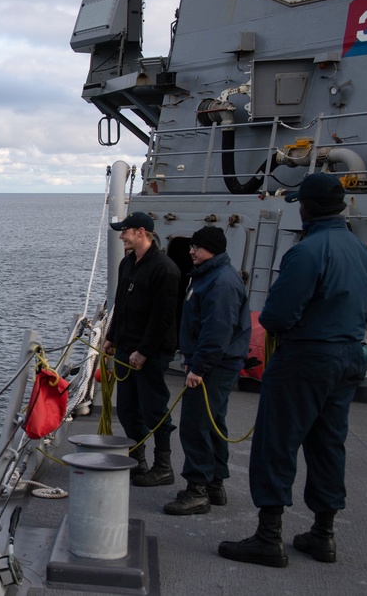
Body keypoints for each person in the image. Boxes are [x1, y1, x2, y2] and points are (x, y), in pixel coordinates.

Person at [218, 173, 367, 567]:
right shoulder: (362, 251)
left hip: (306, 359)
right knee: (328, 445)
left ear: (308, 207)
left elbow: (277, 315)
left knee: (277, 442)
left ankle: (268, 537)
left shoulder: (306, 252)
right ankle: (323, 535)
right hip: (347, 357)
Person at [164, 226, 250, 515]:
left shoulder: (221, 282)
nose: (191, 251)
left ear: (212, 249)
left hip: (214, 366)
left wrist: (198, 367)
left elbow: (217, 330)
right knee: (213, 422)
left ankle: (197, 489)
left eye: (197, 247)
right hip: (214, 363)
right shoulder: (210, 275)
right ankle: (214, 484)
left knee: (196, 423)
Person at [102, 211, 181, 487]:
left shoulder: (165, 269)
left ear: (141, 232)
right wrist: (111, 336)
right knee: (127, 409)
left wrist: (144, 351)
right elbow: (121, 305)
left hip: (152, 353)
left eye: (125, 231)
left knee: (154, 408)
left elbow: (163, 317)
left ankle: (163, 466)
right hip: (126, 348)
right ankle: (138, 461)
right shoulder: (128, 264)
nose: (121, 236)